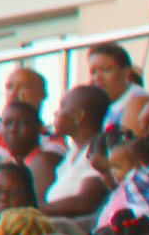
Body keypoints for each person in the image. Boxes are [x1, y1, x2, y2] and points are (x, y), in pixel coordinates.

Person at [40, 84, 109, 220]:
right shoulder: (75, 150)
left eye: (62, 106)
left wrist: (34, 210)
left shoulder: (98, 150)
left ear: (79, 115)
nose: (56, 113)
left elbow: (85, 203)